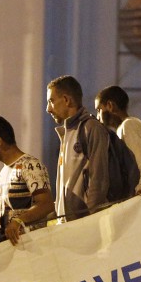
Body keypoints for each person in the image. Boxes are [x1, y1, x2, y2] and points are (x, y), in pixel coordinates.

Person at [0, 115, 55, 245]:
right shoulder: (3, 172)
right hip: (16, 252)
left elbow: (46, 204)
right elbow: (10, 214)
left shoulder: (31, 165)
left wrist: (18, 221)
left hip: (34, 249)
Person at [46, 75, 112, 221]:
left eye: (51, 101)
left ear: (66, 100)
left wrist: (90, 219)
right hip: (68, 226)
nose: (48, 109)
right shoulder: (67, 132)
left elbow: (99, 179)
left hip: (84, 226)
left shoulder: (91, 128)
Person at [94, 86, 141, 197]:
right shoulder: (122, 129)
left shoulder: (129, 125)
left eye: (99, 110)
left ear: (110, 106)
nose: (98, 117)